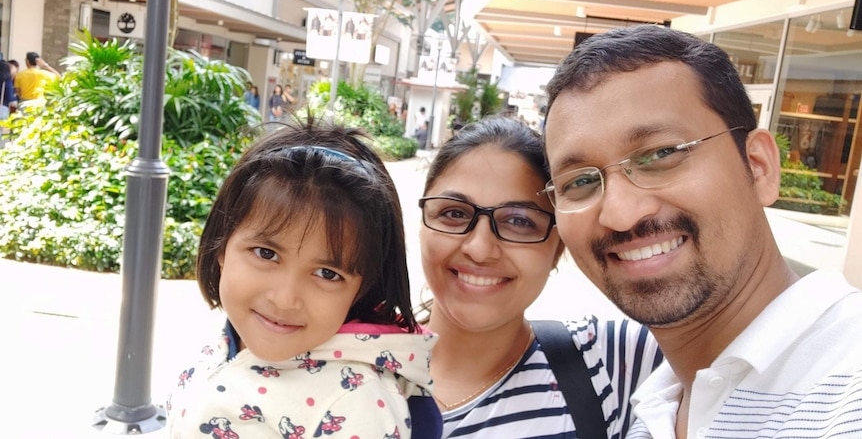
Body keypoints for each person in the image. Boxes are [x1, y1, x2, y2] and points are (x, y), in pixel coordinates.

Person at [542, 24, 862, 438]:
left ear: (759, 167)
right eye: (580, 181)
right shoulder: (654, 406)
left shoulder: (847, 389)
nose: (620, 214)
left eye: (662, 153)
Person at [167, 121, 440, 439]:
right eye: (266, 254)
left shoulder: (354, 402)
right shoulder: (229, 343)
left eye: (327, 273)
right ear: (222, 245)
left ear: (361, 289)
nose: (284, 299)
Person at [418, 116, 663, 438]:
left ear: (557, 248)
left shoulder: (613, 363)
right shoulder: (346, 357)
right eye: (454, 213)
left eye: (519, 222)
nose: (479, 249)